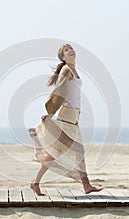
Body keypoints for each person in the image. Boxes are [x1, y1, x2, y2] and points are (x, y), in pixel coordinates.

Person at [28, 44, 103, 196]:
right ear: (62, 57)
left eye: (71, 48)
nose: (71, 51)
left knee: (56, 152)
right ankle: (86, 185)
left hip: (74, 116)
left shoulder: (74, 71)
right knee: (77, 151)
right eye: (66, 50)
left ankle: (35, 183)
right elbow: (60, 91)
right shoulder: (66, 70)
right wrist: (50, 113)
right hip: (67, 115)